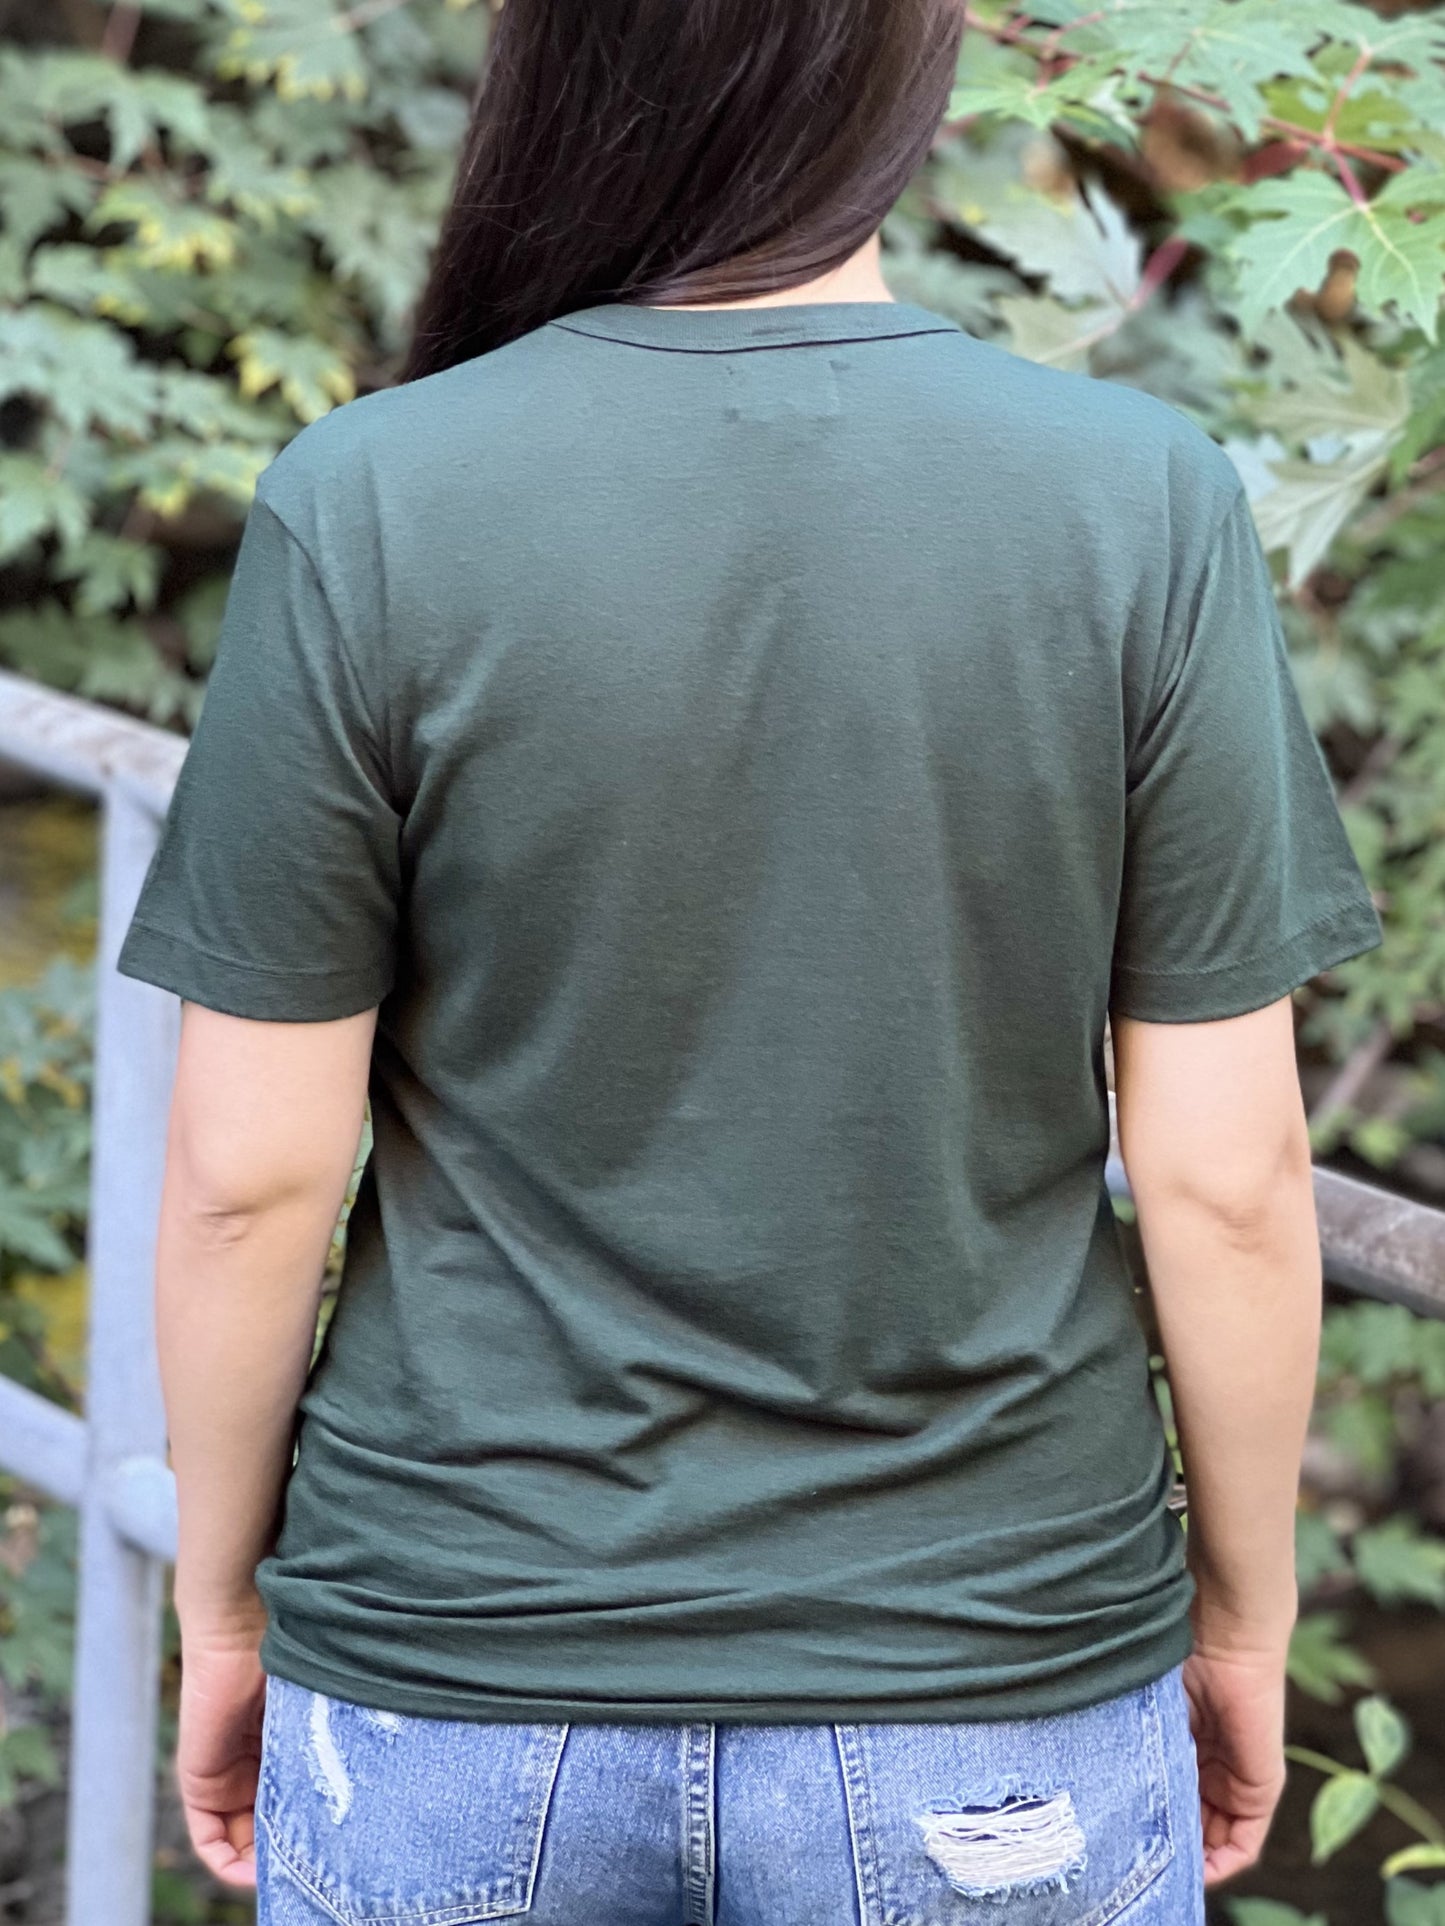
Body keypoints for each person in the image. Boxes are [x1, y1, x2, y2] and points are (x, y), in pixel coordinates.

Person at [116, 0, 1384, 1920]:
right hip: (988, 1666)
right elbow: (1224, 1179)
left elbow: (245, 1177)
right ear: (903, 80)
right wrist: (1241, 1609)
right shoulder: (1138, 502)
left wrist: (222, 1600)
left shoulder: (371, 500)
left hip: (464, 1654)